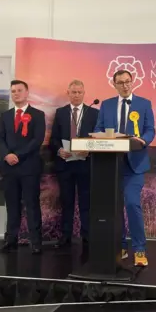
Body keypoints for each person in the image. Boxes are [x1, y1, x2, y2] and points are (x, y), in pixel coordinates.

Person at [94, 69, 155, 267]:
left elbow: (150, 129)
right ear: (114, 84)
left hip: (134, 166)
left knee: (131, 204)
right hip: (111, 166)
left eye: (127, 81)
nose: (124, 85)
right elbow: (98, 129)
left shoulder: (144, 104)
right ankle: (120, 246)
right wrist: (100, 136)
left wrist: (143, 140)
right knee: (114, 208)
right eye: (120, 82)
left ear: (133, 82)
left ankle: (139, 249)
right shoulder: (106, 104)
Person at [0, 79, 46, 255]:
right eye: (13, 91)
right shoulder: (6, 116)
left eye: (19, 90)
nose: (16, 93)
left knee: (31, 205)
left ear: (27, 92)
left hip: (29, 167)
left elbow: (37, 140)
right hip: (9, 168)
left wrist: (18, 155)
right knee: (12, 205)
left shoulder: (38, 115)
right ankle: (10, 240)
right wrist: (7, 154)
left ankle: (36, 242)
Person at [50, 80, 99, 248]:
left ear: (84, 94)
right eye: (73, 92)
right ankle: (66, 236)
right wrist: (58, 150)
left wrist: (90, 150)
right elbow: (54, 138)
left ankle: (87, 235)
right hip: (65, 164)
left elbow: (98, 138)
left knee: (86, 202)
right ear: (68, 93)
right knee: (66, 201)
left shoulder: (94, 113)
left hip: (86, 164)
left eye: (79, 92)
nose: (76, 95)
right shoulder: (61, 112)